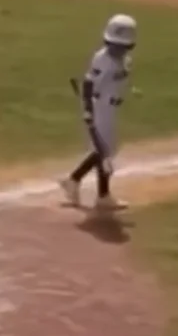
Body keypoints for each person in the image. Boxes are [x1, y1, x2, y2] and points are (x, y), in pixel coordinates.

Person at [58, 14, 137, 217]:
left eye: (120, 46)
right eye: (114, 45)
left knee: (104, 151)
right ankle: (82, 185)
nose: (116, 49)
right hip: (101, 108)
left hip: (111, 109)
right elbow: (88, 83)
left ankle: (85, 186)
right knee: (104, 151)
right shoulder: (102, 59)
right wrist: (87, 109)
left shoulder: (125, 60)